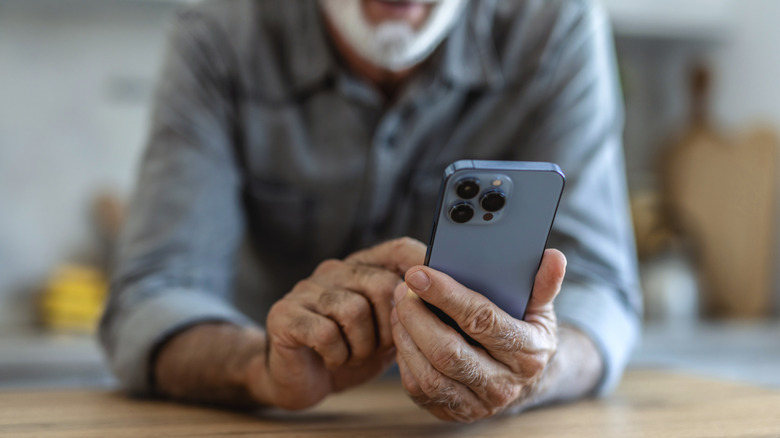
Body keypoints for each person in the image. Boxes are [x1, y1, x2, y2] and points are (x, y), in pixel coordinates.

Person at [99, 0, 641, 423]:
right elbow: (153, 295)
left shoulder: (555, 31)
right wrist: (258, 367)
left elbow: (602, 292)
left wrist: (537, 370)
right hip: (280, 420)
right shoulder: (219, 36)